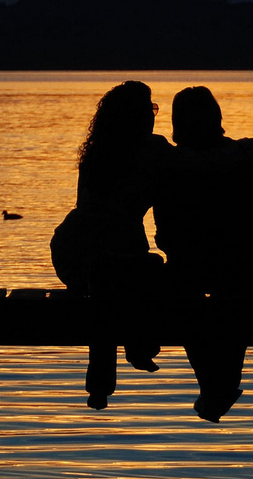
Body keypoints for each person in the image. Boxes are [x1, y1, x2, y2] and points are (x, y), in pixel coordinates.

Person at [153, 85, 253, 422]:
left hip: (193, 270)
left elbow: (166, 231)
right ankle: (217, 389)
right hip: (246, 268)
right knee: (231, 302)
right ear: (217, 118)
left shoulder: (170, 167)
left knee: (188, 297)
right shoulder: (247, 161)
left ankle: (216, 388)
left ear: (179, 123)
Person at [50, 81, 171, 409]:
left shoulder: (96, 154)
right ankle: (138, 345)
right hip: (106, 260)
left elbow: (85, 215)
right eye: (150, 109)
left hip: (73, 253)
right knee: (144, 276)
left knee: (106, 290)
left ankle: (101, 384)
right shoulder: (154, 151)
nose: (153, 116)